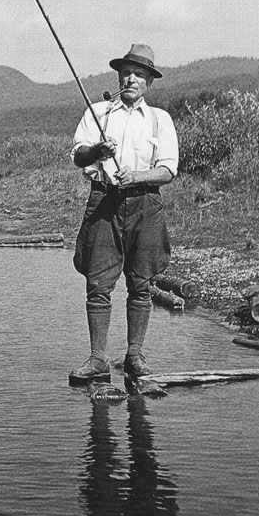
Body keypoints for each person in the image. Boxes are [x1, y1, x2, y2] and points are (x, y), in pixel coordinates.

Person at [69, 43, 178, 386]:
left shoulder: (160, 120)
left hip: (146, 206)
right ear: (118, 76)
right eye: (127, 73)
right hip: (104, 202)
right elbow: (78, 156)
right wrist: (98, 150)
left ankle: (135, 355)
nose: (131, 79)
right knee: (98, 284)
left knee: (141, 283)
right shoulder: (98, 113)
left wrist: (137, 176)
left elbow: (168, 170)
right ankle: (98, 359)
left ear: (149, 82)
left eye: (139, 75)